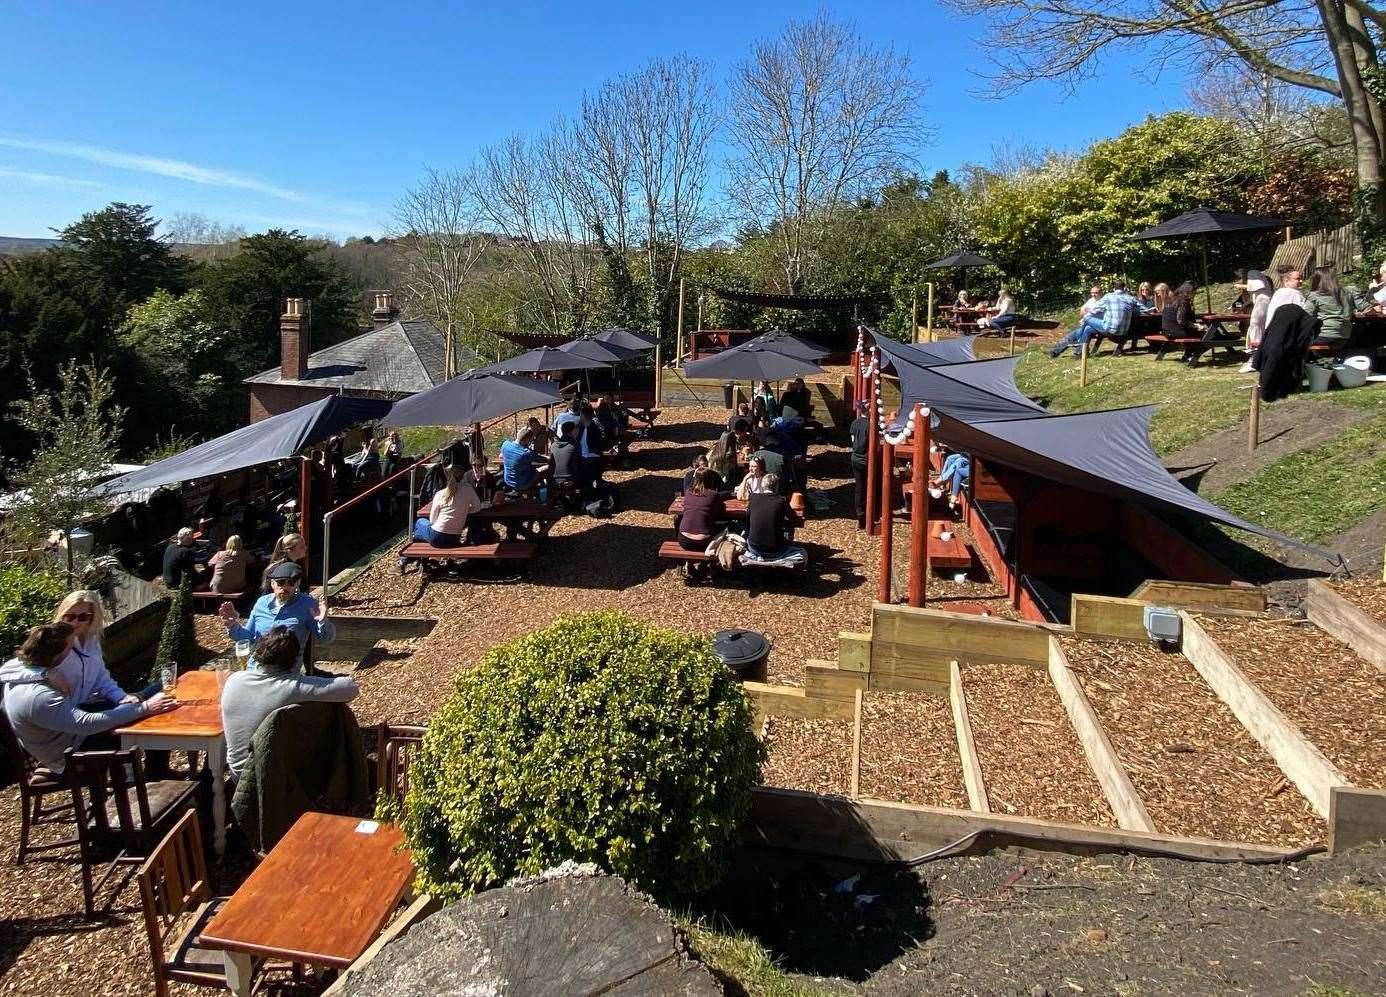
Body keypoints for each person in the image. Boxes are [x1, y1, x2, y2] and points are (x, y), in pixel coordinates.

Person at [0, 622, 176, 774]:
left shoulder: (27, 672)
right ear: (56, 654)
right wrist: (144, 708)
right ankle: (155, 774)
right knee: (146, 719)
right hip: (70, 752)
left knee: (155, 692)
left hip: (68, 730)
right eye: (70, 648)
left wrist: (46, 673)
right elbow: (86, 723)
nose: (73, 651)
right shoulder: (38, 696)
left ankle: (156, 769)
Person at [220, 628, 359, 782]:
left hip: (238, 776)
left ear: (258, 651)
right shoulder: (291, 687)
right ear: (293, 660)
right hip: (275, 779)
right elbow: (350, 688)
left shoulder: (233, 680)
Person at [220, 561, 334, 674]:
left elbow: (326, 638)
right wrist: (233, 626)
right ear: (273, 584)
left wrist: (323, 621)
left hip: (285, 673)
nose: (285, 587)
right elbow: (248, 637)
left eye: (290, 583)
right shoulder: (262, 603)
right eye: (280, 583)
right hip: (255, 669)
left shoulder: (307, 604)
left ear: (297, 583)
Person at [49, 591, 138, 711]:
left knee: (149, 697)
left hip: (82, 709)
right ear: (62, 615)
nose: (75, 622)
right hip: (58, 714)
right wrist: (45, 674)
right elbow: (15, 670)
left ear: (92, 618)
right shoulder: (51, 640)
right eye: (70, 616)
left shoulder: (92, 642)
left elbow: (101, 679)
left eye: (83, 617)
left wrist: (121, 697)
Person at [1050, 280, 1138, 358]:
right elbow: (1082, 311)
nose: (1093, 295)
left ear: (1101, 293)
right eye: (1092, 293)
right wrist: (1085, 314)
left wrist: (1086, 316)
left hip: (1103, 327)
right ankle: (1055, 351)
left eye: (1096, 293)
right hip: (1092, 326)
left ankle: (1078, 349)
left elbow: (1090, 313)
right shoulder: (1091, 300)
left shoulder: (1107, 299)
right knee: (1081, 331)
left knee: (1077, 332)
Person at [413, 465, 483, 547]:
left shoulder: (440, 494)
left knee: (420, 522)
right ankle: (417, 538)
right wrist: (464, 510)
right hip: (454, 539)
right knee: (423, 526)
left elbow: (432, 520)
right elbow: (477, 507)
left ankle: (414, 541)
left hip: (437, 537)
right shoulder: (468, 489)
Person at [1304, 266, 1367, 353]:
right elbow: (1365, 307)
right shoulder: (1349, 291)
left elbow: (1306, 317)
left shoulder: (1314, 296)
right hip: (1345, 335)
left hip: (1323, 334)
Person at [676, 469, 726, 552]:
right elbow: (722, 513)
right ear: (711, 480)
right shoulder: (714, 495)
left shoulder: (688, 493)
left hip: (684, 540)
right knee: (728, 527)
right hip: (703, 542)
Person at [746, 475, 794, 559]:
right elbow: (792, 517)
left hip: (754, 547)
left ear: (762, 485)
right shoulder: (782, 500)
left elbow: (747, 516)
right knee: (788, 529)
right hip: (776, 549)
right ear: (777, 486)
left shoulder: (753, 497)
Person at [1238, 270, 1273, 373]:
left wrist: (1241, 286)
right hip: (1261, 304)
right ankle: (1256, 358)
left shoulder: (1262, 293)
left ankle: (1254, 360)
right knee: (1255, 328)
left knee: (1255, 327)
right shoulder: (1262, 291)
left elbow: (1252, 287)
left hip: (1262, 305)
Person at [500, 427, 546, 493]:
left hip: (508, 480)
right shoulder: (526, 453)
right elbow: (543, 460)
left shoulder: (505, 444)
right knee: (546, 468)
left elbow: (501, 456)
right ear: (527, 439)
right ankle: (546, 493)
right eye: (531, 440)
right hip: (522, 483)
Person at [849, 401, 870, 529]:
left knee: (859, 487)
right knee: (869, 486)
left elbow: (852, 440)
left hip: (855, 458)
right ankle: (868, 513)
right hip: (866, 460)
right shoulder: (871, 426)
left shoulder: (854, 423)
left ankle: (859, 513)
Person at [575, 405, 605, 486]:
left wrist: (595, 451)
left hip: (591, 453)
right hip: (578, 455)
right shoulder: (577, 426)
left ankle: (596, 482)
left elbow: (599, 443)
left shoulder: (594, 427)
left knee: (596, 462)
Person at [551, 421, 583, 493]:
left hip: (553, 481)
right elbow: (579, 464)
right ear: (571, 431)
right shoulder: (574, 445)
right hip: (570, 479)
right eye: (576, 430)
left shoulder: (553, 445)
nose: (578, 432)